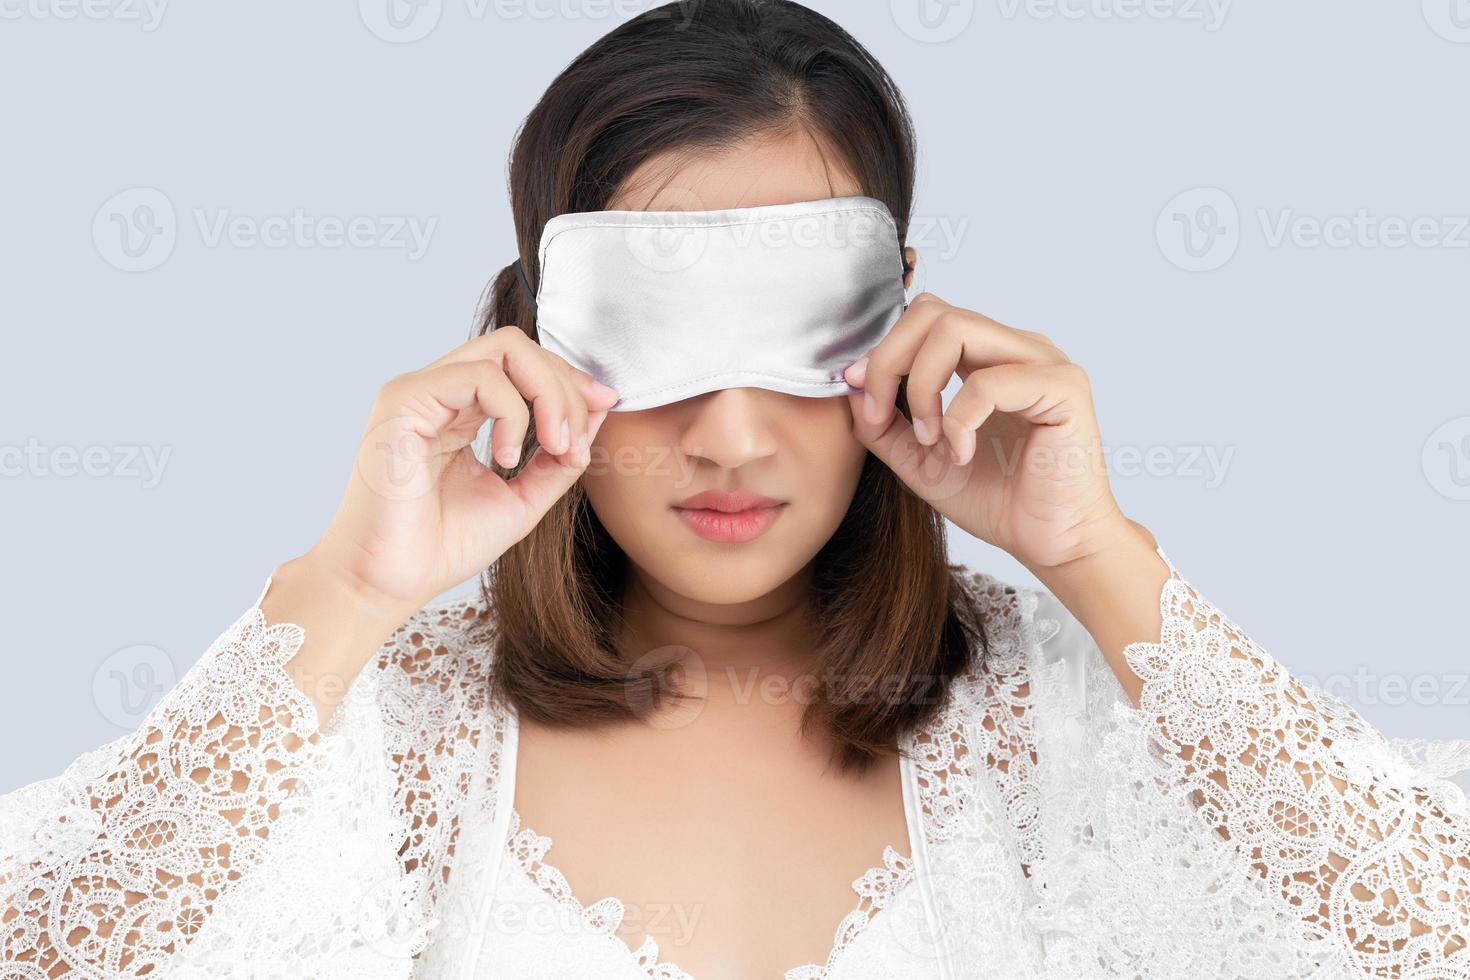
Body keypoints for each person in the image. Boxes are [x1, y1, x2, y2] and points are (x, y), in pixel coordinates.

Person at [4, 2, 1468, 978]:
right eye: (656, 348)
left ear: (904, 322)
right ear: (532, 333)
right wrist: (348, 590)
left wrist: (1097, 555)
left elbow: (1430, 934)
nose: (725, 437)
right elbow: (47, 949)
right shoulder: (391, 734)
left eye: (793, 347)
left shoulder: (1053, 725)